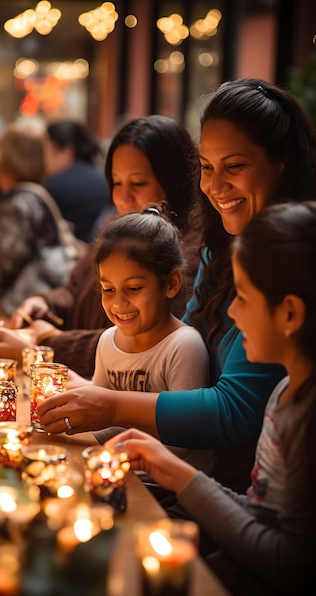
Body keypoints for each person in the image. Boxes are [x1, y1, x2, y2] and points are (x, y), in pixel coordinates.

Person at [36, 78, 316, 494]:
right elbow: (169, 337)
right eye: (206, 167)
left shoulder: (293, 260)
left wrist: (108, 401)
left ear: (283, 163)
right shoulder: (218, 246)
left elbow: (236, 408)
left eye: (234, 166)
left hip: (232, 487)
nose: (216, 186)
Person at [107, 201, 316, 596]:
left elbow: (288, 568)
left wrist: (183, 480)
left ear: (290, 313)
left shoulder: (308, 419)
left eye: (242, 297)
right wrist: (175, 470)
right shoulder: (282, 393)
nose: (231, 313)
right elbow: (262, 515)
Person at [0, 115, 202, 378]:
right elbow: (76, 288)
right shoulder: (116, 229)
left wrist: (46, 343)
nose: (123, 197)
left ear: (174, 181)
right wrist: (44, 303)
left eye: (138, 184)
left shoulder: (184, 250)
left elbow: (136, 339)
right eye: (116, 183)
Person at [86, 207, 212, 473]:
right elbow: (98, 419)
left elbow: (183, 441)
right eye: (108, 289)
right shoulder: (108, 341)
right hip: (123, 474)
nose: (118, 302)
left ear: (171, 284)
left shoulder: (183, 346)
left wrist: (115, 449)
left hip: (171, 489)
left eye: (133, 288)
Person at [0, 116, 81, 317]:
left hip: (24, 308)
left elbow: (1, 267)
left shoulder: (18, 201)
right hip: (41, 305)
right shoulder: (35, 195)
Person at [43, 119, 110, 243]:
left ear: (67, 152)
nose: (44, 160)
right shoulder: (106, 178)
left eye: (47, 151)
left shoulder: (54, 186)